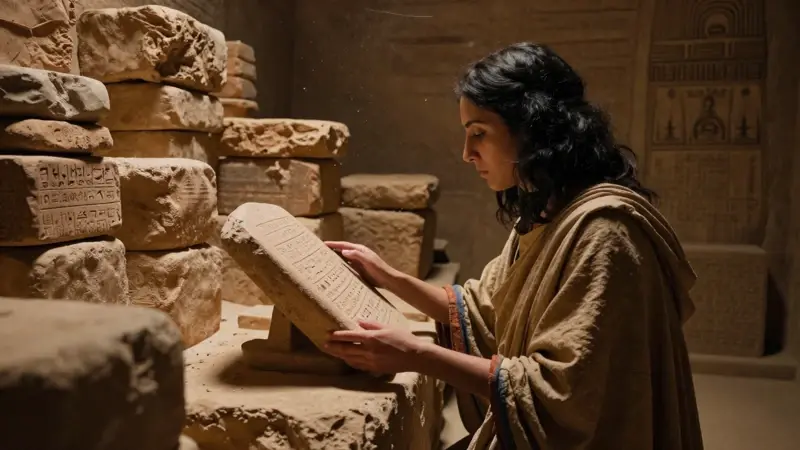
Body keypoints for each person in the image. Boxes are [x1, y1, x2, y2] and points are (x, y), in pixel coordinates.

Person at [322, 42, 704, 450]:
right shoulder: (547, 210)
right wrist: (388, 276)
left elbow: (560, 394)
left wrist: (414, 354)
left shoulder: (603, 232)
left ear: (532, 128)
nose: (468, 154)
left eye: (479, 134)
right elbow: (483, 312)